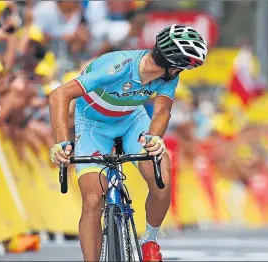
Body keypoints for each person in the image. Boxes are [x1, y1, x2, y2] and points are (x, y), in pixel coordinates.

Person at [48, 24, 208, 262]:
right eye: (183, 66)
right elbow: (60, 94)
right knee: (92, 200)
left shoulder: (167, 78)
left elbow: (162, 111)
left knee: (161, 174)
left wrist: (154, 138)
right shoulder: (117, 67)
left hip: (132, 121)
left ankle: (150, 241)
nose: (181, 71)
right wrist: (61, 142)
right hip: (93, 127)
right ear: (172, 63)